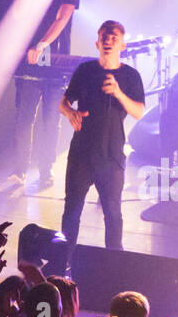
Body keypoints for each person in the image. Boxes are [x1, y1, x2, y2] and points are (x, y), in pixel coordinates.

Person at [57, 20, 146, 262]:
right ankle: (62, 263)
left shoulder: (130, 75)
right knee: (71, 212)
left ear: (122, 45)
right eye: (104, 37)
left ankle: (114, 266)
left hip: (111, 156)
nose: (108, 41)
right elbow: (63, 103)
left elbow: (139, 111)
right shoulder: (85, 71)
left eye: (113, 37)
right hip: (81, 154)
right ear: (97, 43)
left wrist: (118, 92)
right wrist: (70, 113)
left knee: (113, 214)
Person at [9, 0, 80, 190]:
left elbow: (62, 18)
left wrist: (42, 45)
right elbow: (17, 16)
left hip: (55, 63)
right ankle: (19, 169)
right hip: (29, 62)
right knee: (24, 117)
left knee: (51, 119)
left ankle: (46, 170)